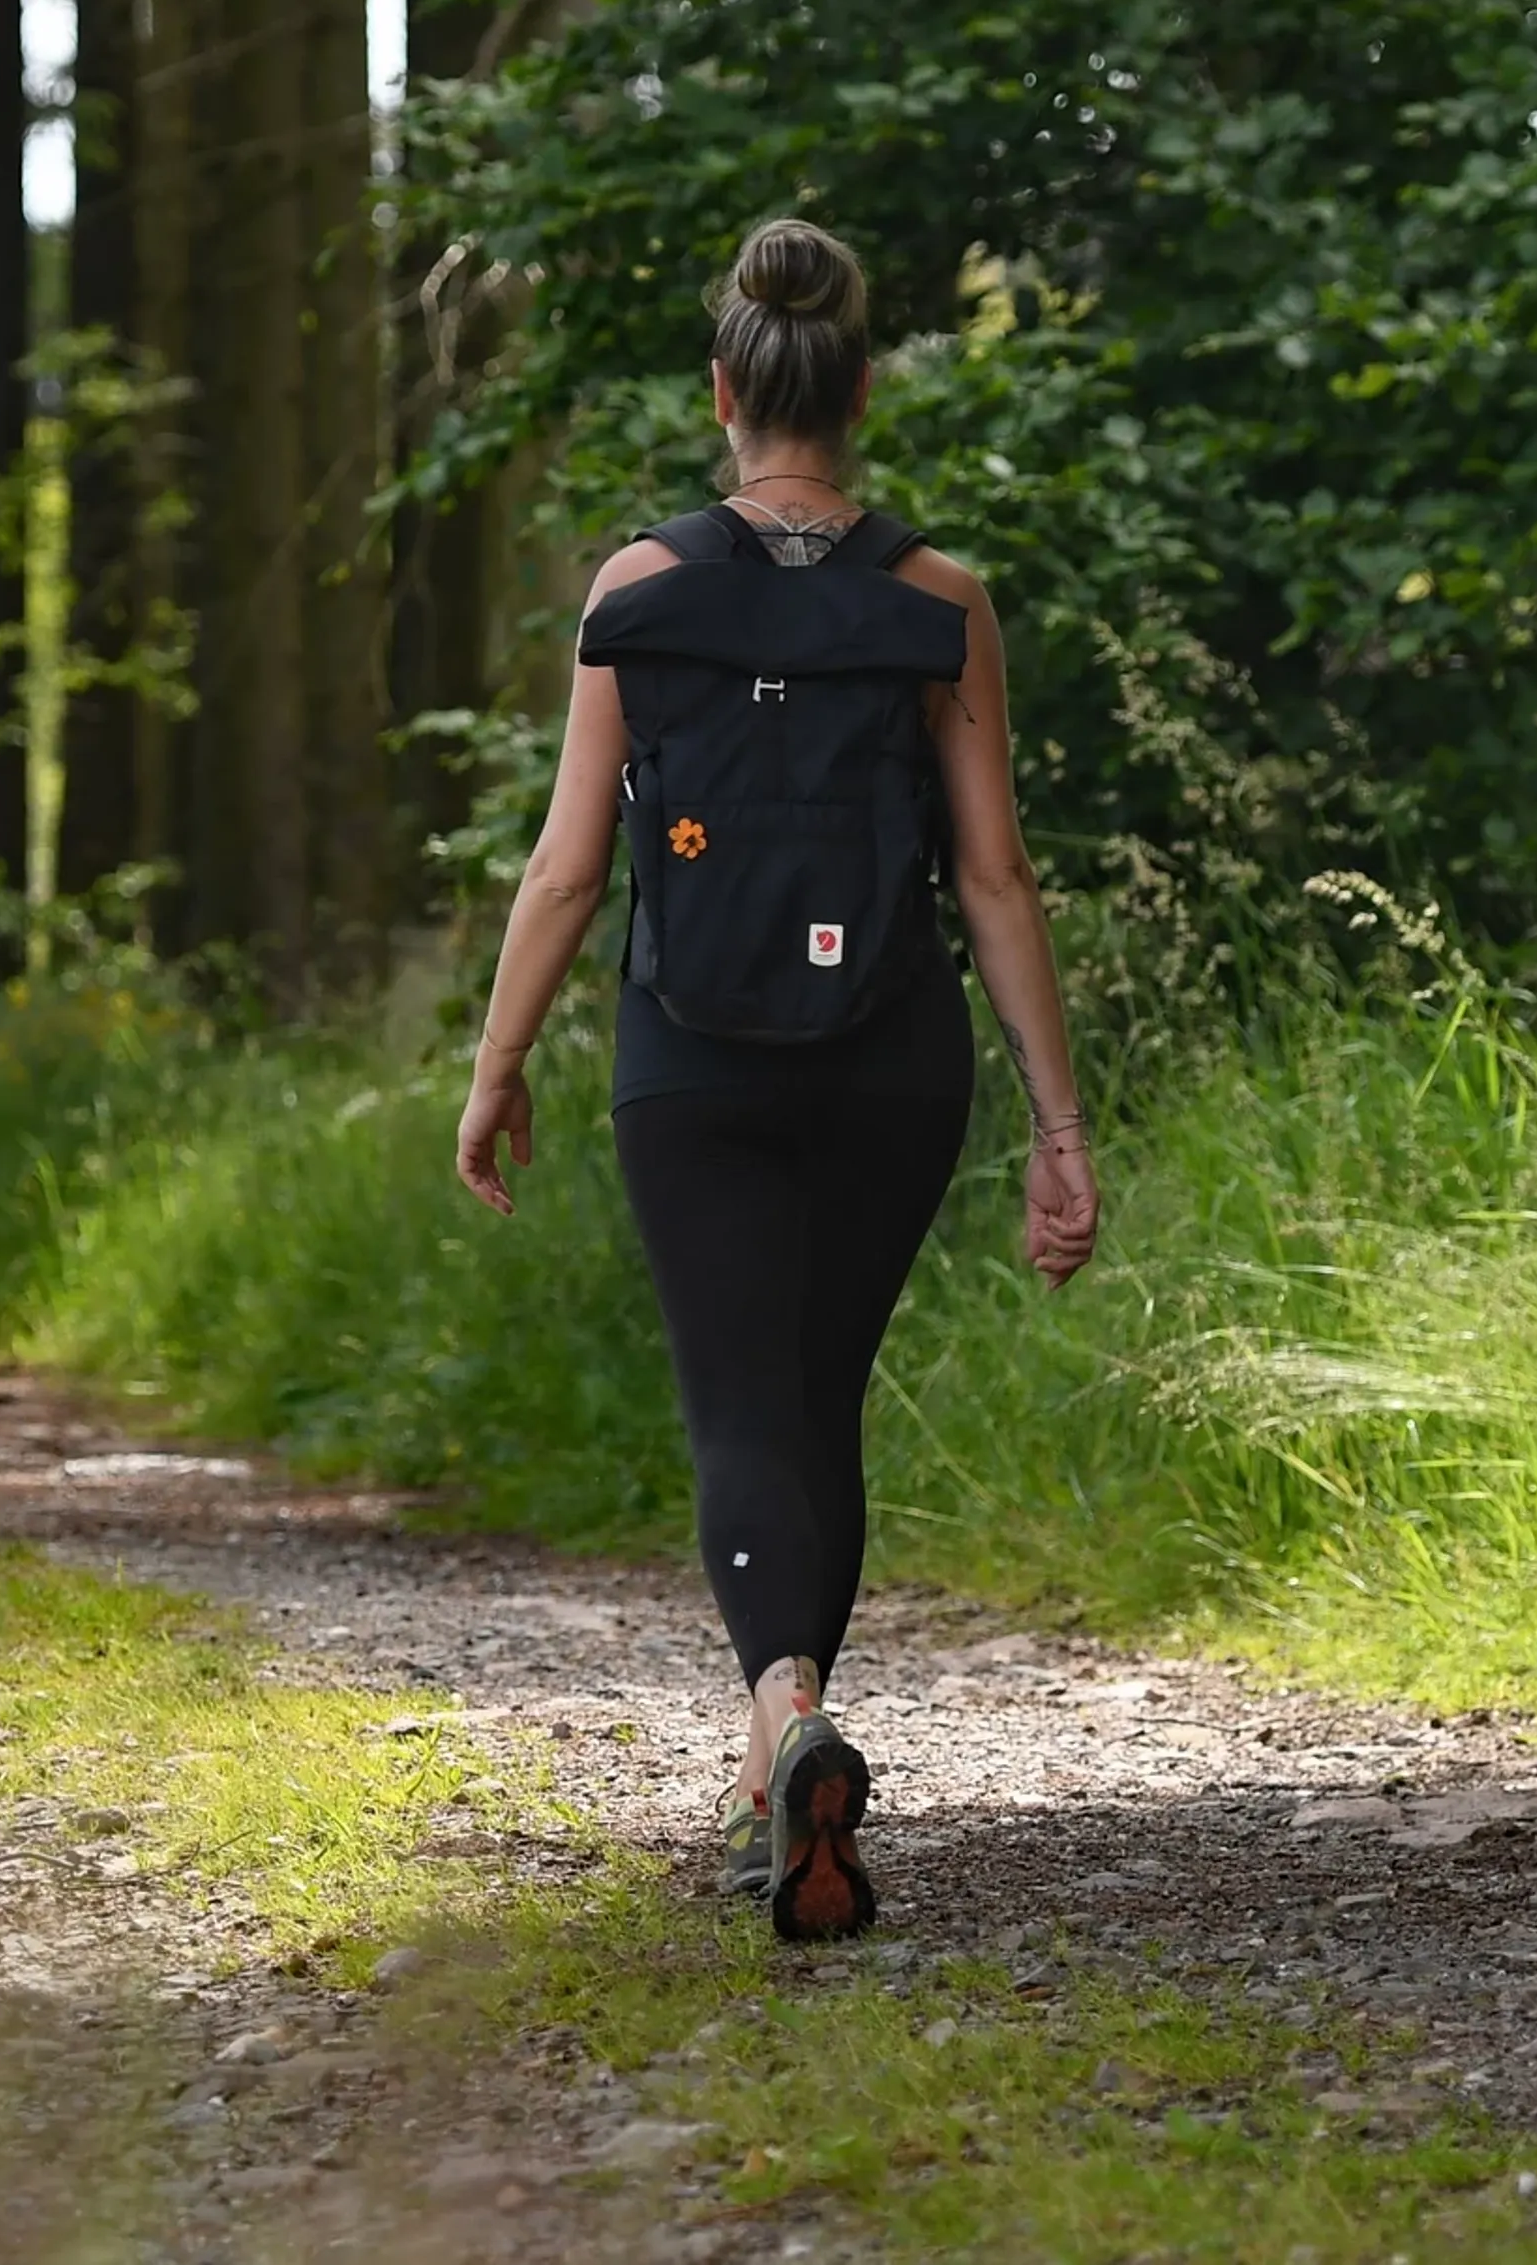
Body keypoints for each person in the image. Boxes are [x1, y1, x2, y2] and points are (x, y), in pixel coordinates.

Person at [451, 217, 1102, 1941]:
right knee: (817, 1397)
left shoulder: (638, 594)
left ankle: (778, 1723)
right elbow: (994, 879)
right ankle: (782, 1764)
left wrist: (499, 1061)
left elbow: (570, 872)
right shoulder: (939, 603)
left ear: (726, 391)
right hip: (892, 1058)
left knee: (743, 1405)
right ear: (861, 390)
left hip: (695, 1061)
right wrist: (1057, 1122)